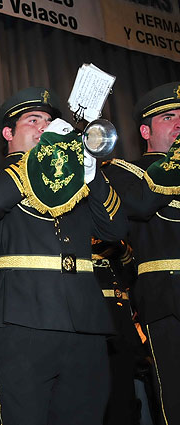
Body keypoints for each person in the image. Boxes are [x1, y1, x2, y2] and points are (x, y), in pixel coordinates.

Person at [0, 87, 128, 425]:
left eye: (50, 121)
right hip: (22, 318)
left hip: (85, 320)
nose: (44, 127)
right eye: (33, 120)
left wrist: (90, 172)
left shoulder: (73, 179)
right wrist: (38, 159)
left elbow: (115, 230)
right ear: (8, 133)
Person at [103, 81, 180, 424]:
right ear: (146, 130)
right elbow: (142, 203)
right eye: (169, 117)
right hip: (168, 295)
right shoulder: (125, 169)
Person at [91, 239, 143, 425]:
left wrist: (118, 245)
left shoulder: (116, 238)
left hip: (121, 327)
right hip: (90, 326)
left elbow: (131, 274)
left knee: (123, 397)